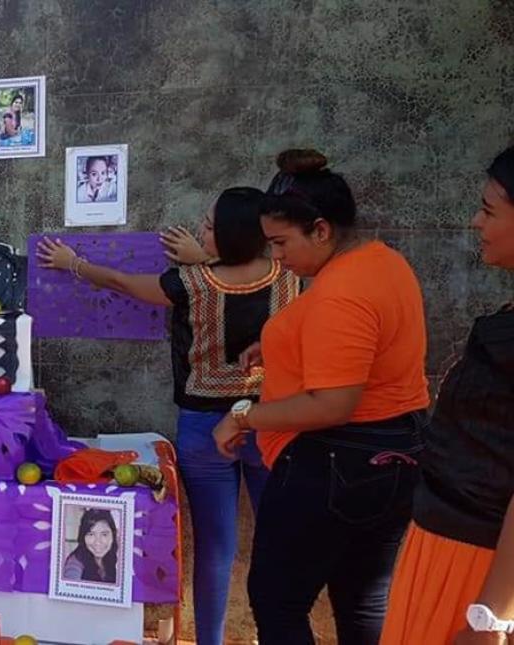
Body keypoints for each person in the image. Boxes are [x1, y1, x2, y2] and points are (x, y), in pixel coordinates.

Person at [37, 186, 298, 645]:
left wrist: (72, 263)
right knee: (277, 541)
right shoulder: (287, 277)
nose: (201, 229)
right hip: (270, 420)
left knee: (217, 549)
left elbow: (122, 284)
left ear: (233, 236)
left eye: (211, 226)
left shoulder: (190, 283)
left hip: (203, 427)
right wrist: (205, 255)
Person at [212, 150, 429, 644]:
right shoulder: (383, 263)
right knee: (361, 599)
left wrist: (245, 416)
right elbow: (361, 349)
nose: (277, 257)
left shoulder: (341, 293)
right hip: (396, 453)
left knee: (277, 598)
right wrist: (274, 346)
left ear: (322, 230)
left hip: (336, 458)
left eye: (281, 243)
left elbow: (333, 403)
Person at [380, 146, 514, 644]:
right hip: (443, 546)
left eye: (490, 210)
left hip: (477, 568)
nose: (476, 222)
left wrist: (491, 616)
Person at [62, 509, 119, 584]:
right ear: (83, 536)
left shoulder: (114, 557)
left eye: (104, 534)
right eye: (91, 534)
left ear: (113, 535)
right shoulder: (75, 562)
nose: (98, 542)